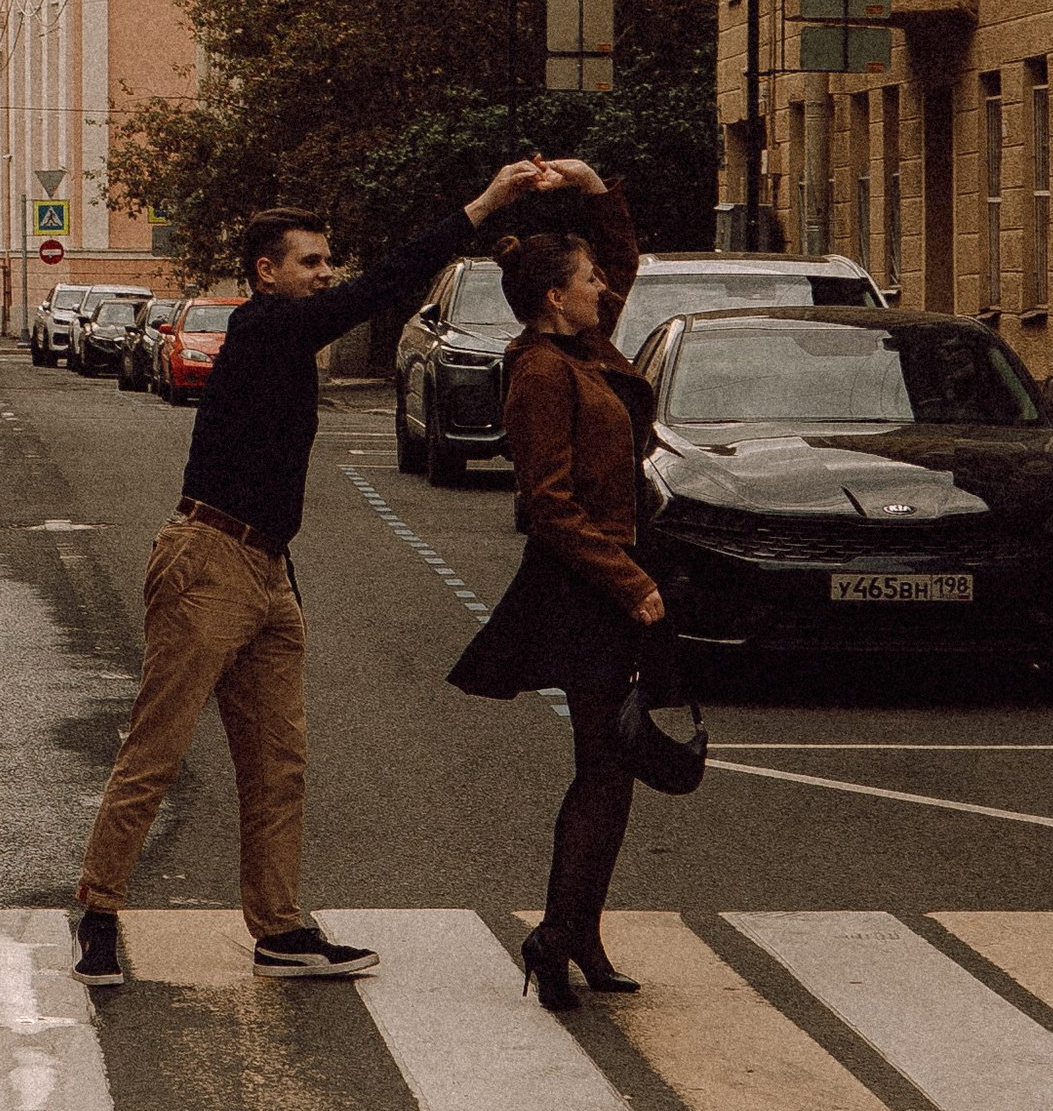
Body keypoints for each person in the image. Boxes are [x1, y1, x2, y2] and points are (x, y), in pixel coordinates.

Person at [74, 157, 553, 981]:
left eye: (329, 260)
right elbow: (381, 285)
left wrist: (278, 578)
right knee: (158, 749)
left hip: (265, 567)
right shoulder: (264, 327)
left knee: (278, 764)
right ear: (267, 273)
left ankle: (279, 930)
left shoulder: (286, 338)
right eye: (312, 262)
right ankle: (98, 911)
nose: (327, 273)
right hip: (208, 559)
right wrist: (482, 205)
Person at [446, 164, 664, 1013]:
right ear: (553, 296)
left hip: (606, 581)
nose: (603, 287)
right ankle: (556, 937)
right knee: (603, 767)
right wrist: (630, 582)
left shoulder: (585, 347)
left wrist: (597, 187)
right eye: (587, 280)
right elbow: (548, 505)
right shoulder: (540, 371)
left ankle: (579, 933)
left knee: (610, 767)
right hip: (582, 588)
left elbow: (623, 260)